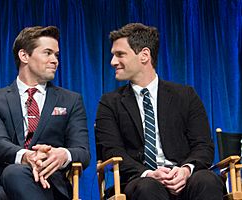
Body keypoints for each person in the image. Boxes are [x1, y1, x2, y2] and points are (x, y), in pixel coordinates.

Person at [95, 23, 224, 200]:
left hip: (184, 178)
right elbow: (111, 152)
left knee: (207, 181)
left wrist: (186, 170)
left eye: (120, 55)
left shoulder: (185, 95)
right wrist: (149, 173)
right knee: (148, 188)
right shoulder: (110, 103)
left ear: (144, 55)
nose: (113, 62)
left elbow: (203, 146)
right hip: (140, 181)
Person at [0, 26, 90, 200]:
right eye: (47, 53)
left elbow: (82, 151)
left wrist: (62, 154)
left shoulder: (71, 100)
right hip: (0, 180)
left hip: (48, 182)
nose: (55, 60)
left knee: (14, 174)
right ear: (24, 56)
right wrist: (27, 156)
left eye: (56, 55)